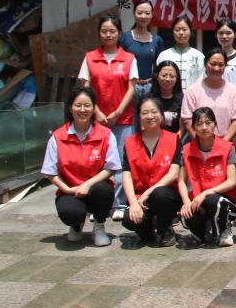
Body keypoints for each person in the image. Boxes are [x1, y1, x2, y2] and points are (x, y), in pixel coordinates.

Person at [41, 87, 121, 246]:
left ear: (94, 108)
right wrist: (66, 189)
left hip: (96, 189)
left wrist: (87, 185)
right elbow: (50, 172)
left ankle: (99, 225)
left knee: (103, 190)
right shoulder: (58, 136)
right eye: (78, 105)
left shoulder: (105, 134)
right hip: (70, 190)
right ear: (70, 108)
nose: (82, 110)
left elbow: (111, 168)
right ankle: (76, 226)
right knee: (69, 212)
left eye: (87, 105)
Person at [78, 14, 138, 218]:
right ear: (99, 33)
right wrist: (97, 112)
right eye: (104, 31)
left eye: (112, 31)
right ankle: (97, 205)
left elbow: (131, 88)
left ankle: (119, 204)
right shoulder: (89, 57)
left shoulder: (129, 58)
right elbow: (86, 88)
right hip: (96, 119)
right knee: (95, 162)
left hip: (123, 119)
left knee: (120, 162)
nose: (108, 35)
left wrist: (117, 112)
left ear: (119, 33)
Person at [120, 97, 181, 247]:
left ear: (161, 115)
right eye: (145, 113)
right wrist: (133, 203)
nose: (150, 116)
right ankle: (148, 232)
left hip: (165, 195)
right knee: (128, 219)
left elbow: (173, 174)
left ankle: (165, 228)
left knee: (160, 195)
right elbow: (126, 175)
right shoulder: (130, 142)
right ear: (139, 117)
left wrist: (148, 193)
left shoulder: (174, 139)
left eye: (154, 112)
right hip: (140, 197)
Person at [178, 106, 236, 246]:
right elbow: (181, 181)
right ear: (194, 127)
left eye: (208, 122)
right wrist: (186, 202)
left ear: (215, 124)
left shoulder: (227, 148)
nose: (204, 127)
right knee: (186, 215)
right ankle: (201, 232)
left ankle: (223, 229)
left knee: (213, 201)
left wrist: (206, 193)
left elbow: (232, 181)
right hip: (198, 200)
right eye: (199, 124)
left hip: (224, 200)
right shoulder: (187, 150)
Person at [181, 48, 236, 141]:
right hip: (198, 143)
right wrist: (202, 143)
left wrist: (222, 144)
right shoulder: (192, 91)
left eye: (221, 65)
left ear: (225, 66)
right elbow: (187, 120)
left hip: (226, 143)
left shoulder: (235, 92)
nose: (216, 68)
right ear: (205, 64)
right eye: (213, 64)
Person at [118, 0, 164, 85]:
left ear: (152, 14)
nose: (143, 16)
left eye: (147, 13)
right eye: (139, 13)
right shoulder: (125, 38)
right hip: (128, 85)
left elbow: (159, 67)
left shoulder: (157, 40)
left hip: (149, 86)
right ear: (134, 14)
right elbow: (118, 64)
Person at [156, 15, 205, 89]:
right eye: (177, 30)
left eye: (184, 29)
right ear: (172, 32)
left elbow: (202, 80)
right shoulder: (164, 55)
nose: (181, 33)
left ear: (190, 31)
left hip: (193, 95)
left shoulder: (199, 56)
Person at [134, 61, 183, 134]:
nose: (167, 79)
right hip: (151, 138)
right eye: (164, 75)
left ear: (177, 78)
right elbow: (142, 125)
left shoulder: (183, 99)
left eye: (172, 76)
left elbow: (182, 128)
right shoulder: (147, 99)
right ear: (156, 76)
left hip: (176, 138)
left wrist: (175, 139)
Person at [216, 18, 236, 92]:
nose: (224, 36)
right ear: (216, 35)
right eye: (220, 33)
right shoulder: (212, 58)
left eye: (228, 33)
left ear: (235, 35)